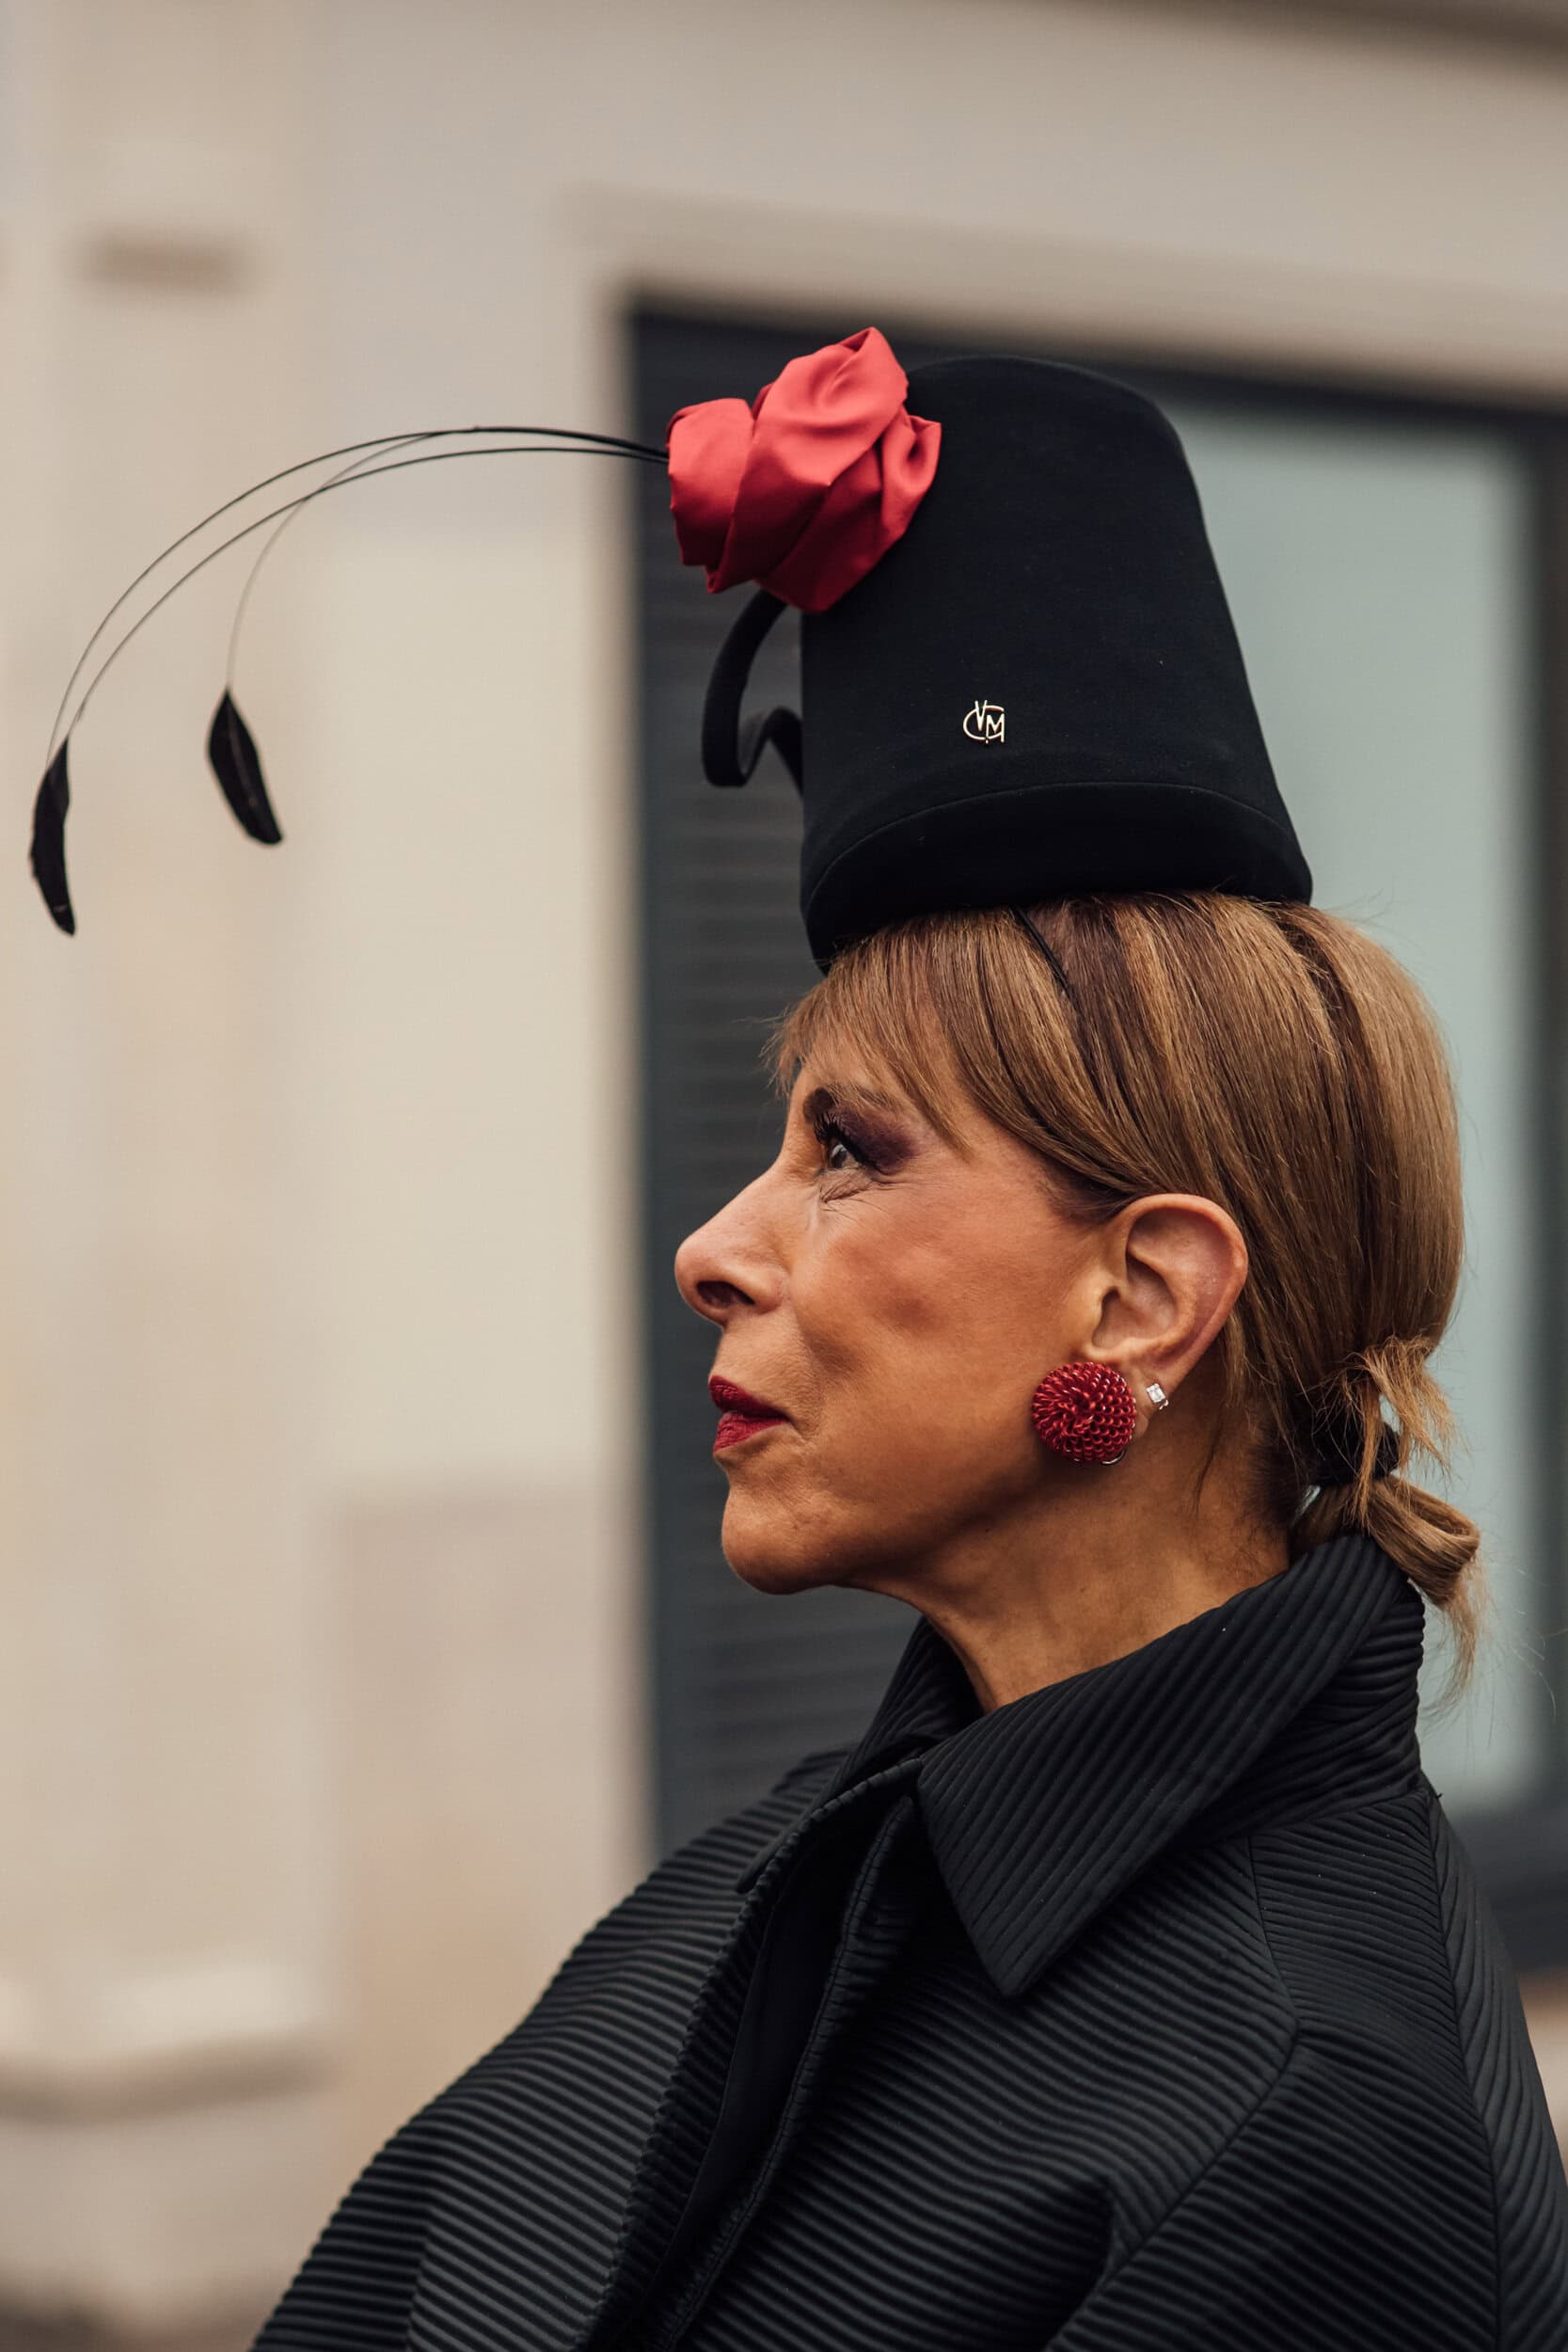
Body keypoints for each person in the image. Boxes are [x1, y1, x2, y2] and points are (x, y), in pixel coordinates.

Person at [39, 329, 1568, 2346]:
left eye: (847, 1149)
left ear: (1147, 1293)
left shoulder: (1308, 2146)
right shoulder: (810, 1865)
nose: (711, 1245)